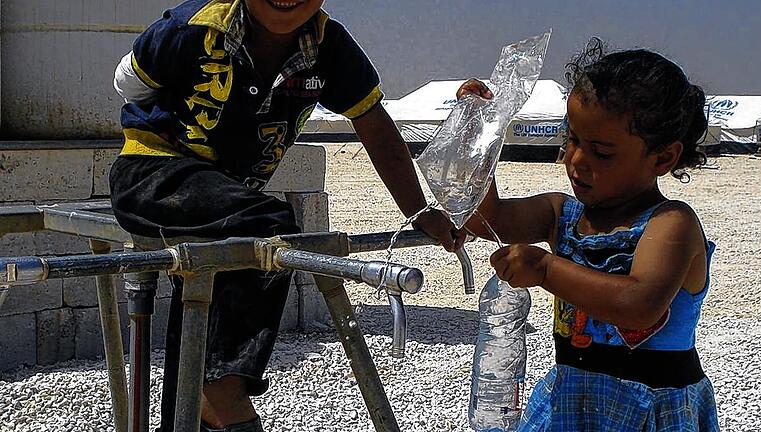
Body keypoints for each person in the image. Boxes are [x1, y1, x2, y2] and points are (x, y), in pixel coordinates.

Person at [110, 1, 463, 431]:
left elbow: (372, 121)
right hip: (153, 172)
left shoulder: (329, 47)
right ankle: (222, 391)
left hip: (227, 196)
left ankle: (193, 404)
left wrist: (419, 210)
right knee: (271, 227)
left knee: (218, 275)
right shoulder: (195, 28)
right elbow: (129, 80)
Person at [460, 38, 720, 431]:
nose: (576, 160)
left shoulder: (672, 223)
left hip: (651, 411)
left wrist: (547, 269)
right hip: (571, 402)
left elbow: (639, 304)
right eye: (573, 139)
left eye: (601, 152)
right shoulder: (560, 214)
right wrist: (477, 131)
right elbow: (486, 220)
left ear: (663, 158)